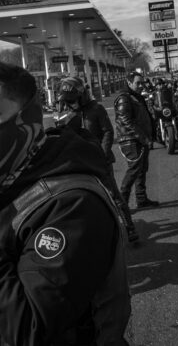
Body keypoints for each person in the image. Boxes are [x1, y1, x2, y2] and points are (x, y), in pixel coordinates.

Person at [0, 61, 130, 346]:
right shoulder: (13, 183)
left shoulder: (73, 204)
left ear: (28, 117)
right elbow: (11, 280)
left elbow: (29, 328)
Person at [56, 76, 140, 242]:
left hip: (99, 159)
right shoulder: (65, 113)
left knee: (114, 195)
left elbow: (108, 131)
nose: (70, 103)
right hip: (77, 163)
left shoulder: (96, 109)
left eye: (72, 100)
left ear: (81, 96)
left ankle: (129, 227)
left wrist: (102, 152)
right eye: (67, 101)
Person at [114, 71, 158, 209]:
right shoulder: (124, 98)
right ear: (129, 83)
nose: (141, 85)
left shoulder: (136, 97)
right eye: (137, 83)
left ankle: (141, 199)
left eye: (142, 82)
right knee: (134, 170)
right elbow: (126, 120)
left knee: (142, 169)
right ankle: (122, 204)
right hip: (130, 139)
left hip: (139, 138)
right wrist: (143, 137)